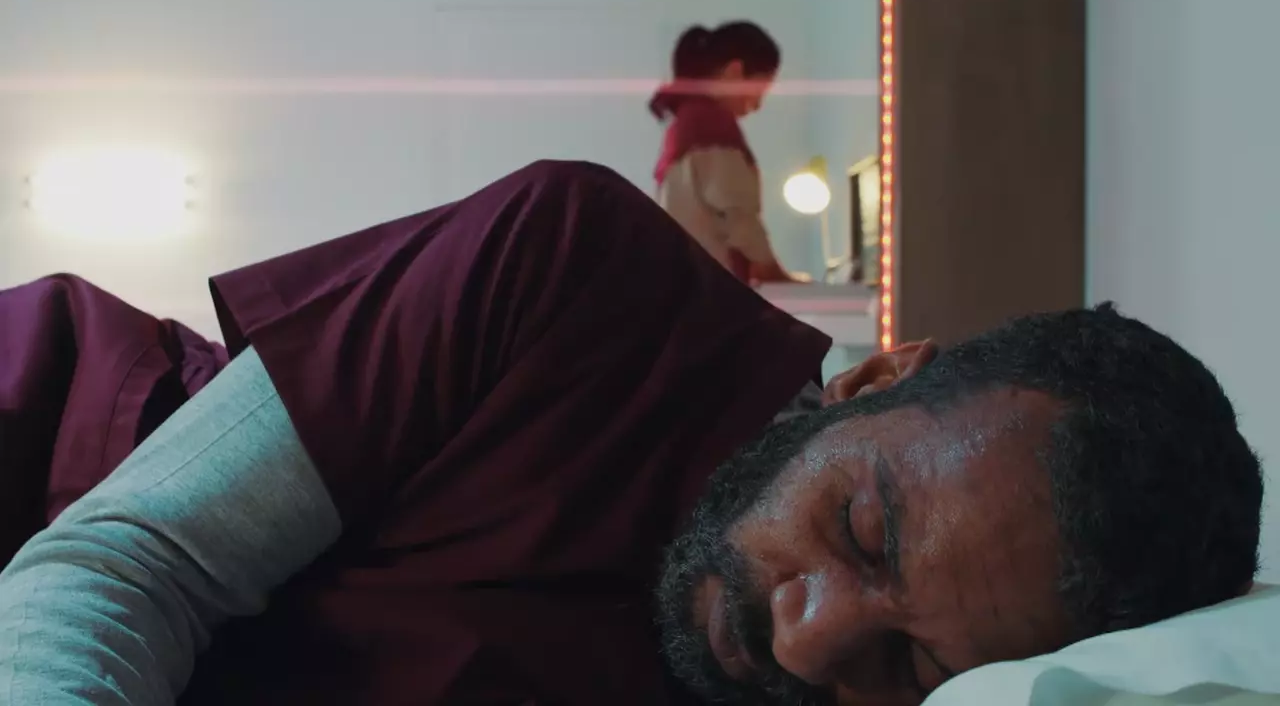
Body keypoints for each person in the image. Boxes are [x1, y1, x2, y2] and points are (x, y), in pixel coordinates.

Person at [0, 160, 1262, 706]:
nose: (807, 639)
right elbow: (128, 563)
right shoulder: (575, 268)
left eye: (910, 671)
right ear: (874, 378)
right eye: (859, 528)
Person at [650, 21, 800, 284]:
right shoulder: (711, 126)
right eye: (759, 91)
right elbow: (737, 215)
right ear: (734, 72)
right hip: (712, 289)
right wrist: (774, 272)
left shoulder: (684, 124)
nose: (756, 106)